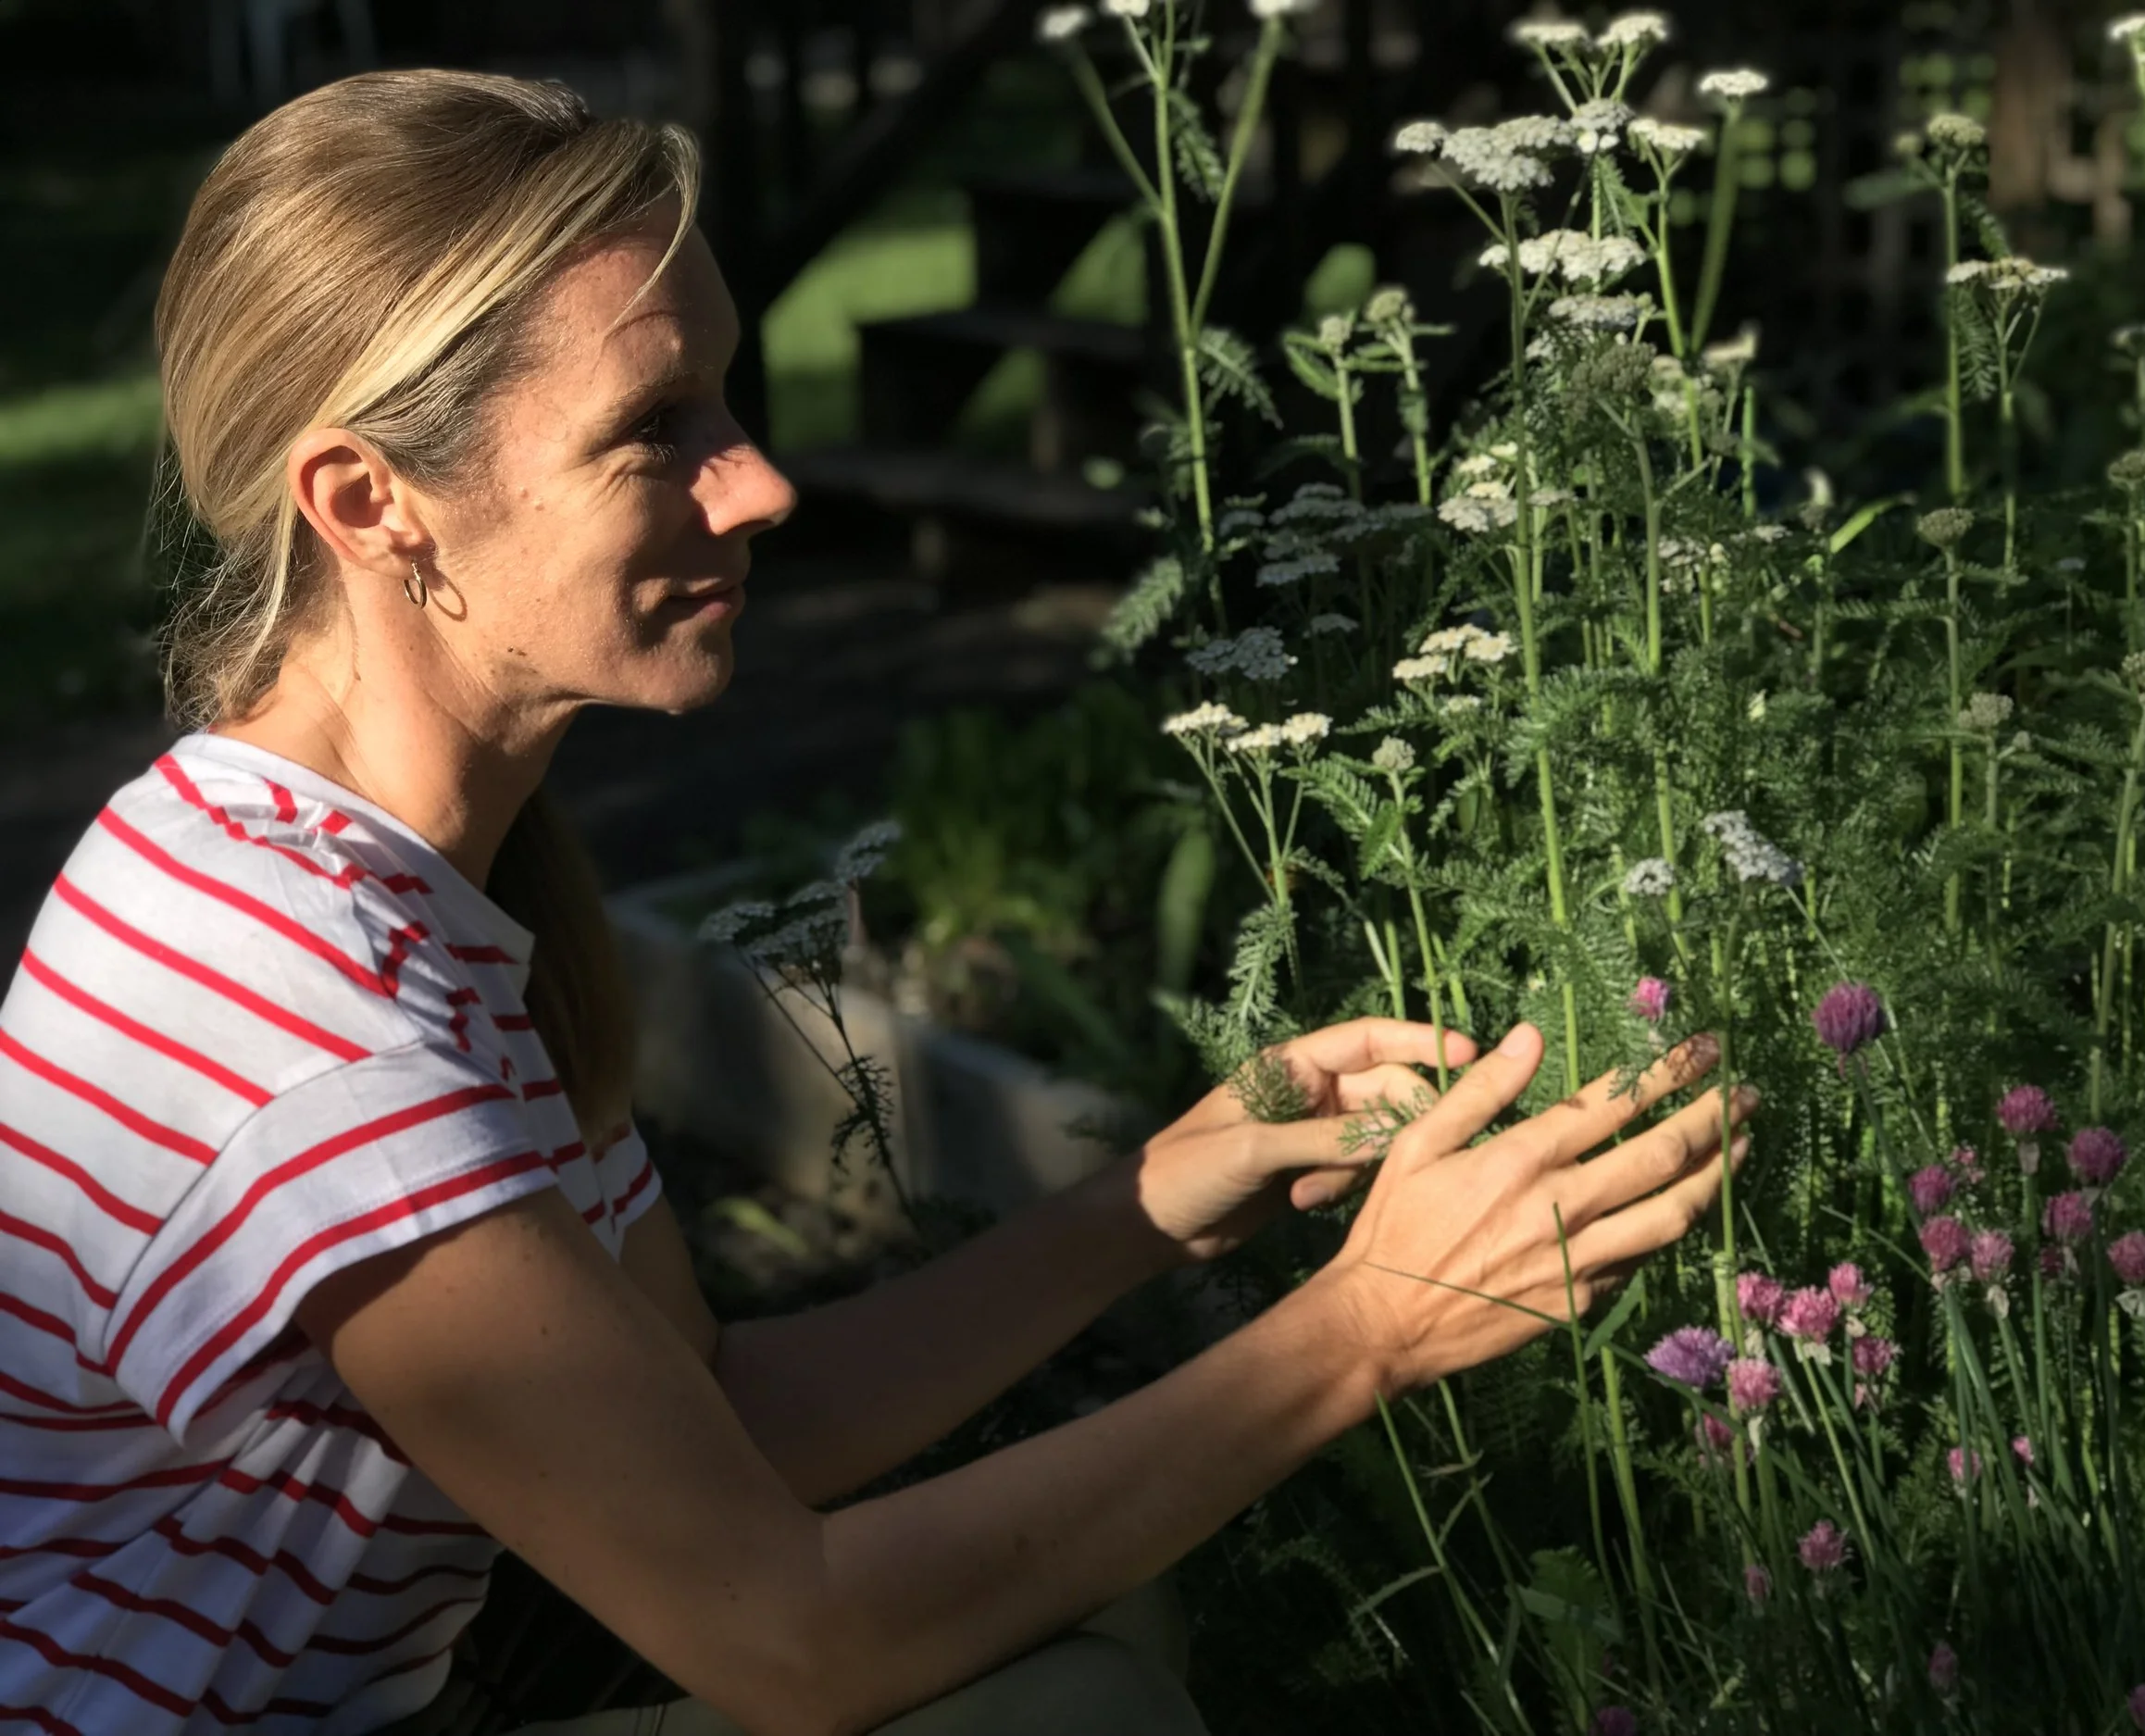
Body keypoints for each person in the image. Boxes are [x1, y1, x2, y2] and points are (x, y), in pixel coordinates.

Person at [0, 69, 1756, 1736]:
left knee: (1092, 1617)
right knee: (1078, 1703)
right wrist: (1371, 1322)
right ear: (371, 502)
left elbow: (724, 1417)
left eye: (728, 400)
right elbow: (790, 1639)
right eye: (652, 428)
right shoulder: (301, 1019)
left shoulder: (391, 884)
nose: (760, 481)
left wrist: (1155, 1190)